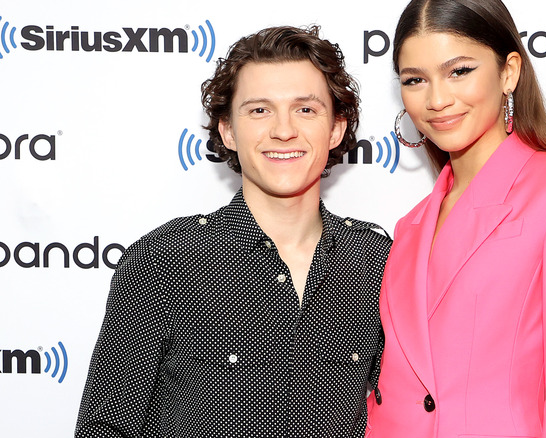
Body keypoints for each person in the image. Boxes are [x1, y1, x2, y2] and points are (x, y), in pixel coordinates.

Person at [75, 25, 391, 438]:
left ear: (335, 129)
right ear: (227, 130)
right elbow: (105, 427)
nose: (283, 130)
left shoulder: (376, 261)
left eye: (306, 109)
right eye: (259, 110)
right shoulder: (164, 260)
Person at [365, 1, 546, 437]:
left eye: (459, 71)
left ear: (508, 72)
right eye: (415, 80)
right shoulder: (410, 226)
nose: (437, 99)